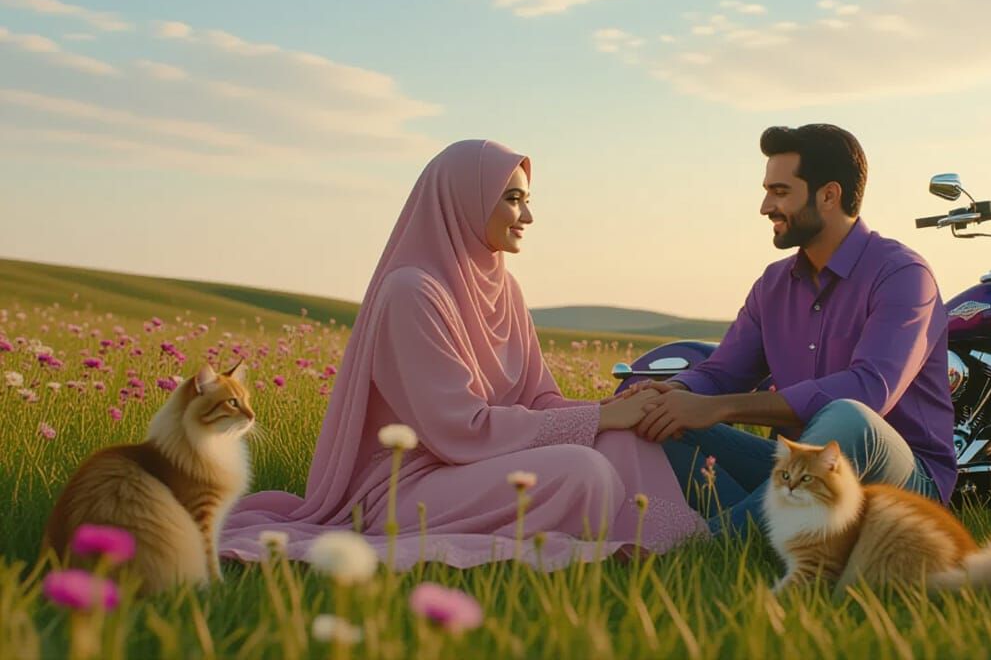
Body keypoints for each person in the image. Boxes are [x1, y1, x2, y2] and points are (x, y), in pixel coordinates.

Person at [220, 139, 704, 570]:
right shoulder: (412, 292)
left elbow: (539, 402)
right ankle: (604, 535)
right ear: (464, 202)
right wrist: (602, 418)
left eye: (527, 200)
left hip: (480, 468)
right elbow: (459, 430)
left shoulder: (505, 288)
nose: (528, 217)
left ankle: (665, 544)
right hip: (409, 485)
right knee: (585, 470)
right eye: (512, 200)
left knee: (626, 441)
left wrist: (617, 412)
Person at [626, 124, 956, 535]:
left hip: (898, 486)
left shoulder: (903, 274)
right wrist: (675, 394)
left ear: (829, 195)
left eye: (780, 192)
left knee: (849, 417)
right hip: (792, 473)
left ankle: (711, 543)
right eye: (767, 191)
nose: (766, 206)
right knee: (651, 418)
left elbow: (868, 390)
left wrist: (721, 408)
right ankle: (752, 528)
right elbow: (721, 372)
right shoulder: (773, 284)